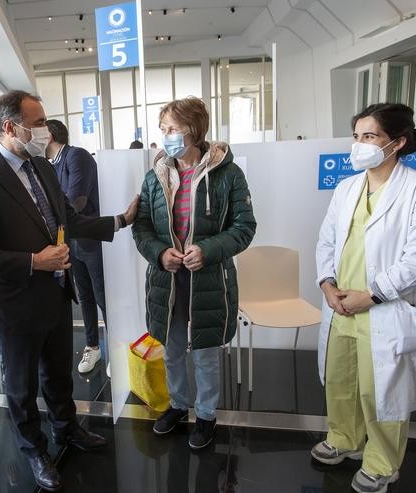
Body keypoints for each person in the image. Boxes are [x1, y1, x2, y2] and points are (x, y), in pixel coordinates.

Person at [0, 90, 138, 492]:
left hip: (56, 294)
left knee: (58, 375)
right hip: (17, 302)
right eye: (36, 123)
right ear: (9, 127)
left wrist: (121, 220)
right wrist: (35, 261)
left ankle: (66, 429)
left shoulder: (41, 167)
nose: (43, 130)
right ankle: (34, 449)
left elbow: (68, 220)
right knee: (21, 387)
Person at [313, 103, 416, 493]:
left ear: (398, 142)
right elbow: (326, 240)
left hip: (384, 309)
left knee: (383, 390)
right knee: (340, 382)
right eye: (356, 136)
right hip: (341, 304)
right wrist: (326, 283)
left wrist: (370, 295)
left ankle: (383, 462)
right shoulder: (347, 188)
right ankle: (344, 438)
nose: (358, 145)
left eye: (369, 136)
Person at [132, 97, 256, 450]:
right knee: (171, 349)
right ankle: (177, 405)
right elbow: (141, 226)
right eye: (164, 129)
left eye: (173, 129)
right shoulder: (156, 174)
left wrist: (208, 250)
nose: (166, 136)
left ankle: (205, 415)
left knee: (204, 351)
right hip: (167, 278)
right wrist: (159, 254)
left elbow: (245, 226)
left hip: (209, 278)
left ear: (195, 129)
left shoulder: (227, 173)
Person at [46, 119, 107, 374]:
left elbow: (77, 201)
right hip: (71, 241)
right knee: (84, 296)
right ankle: (93, 346)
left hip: (90, 240)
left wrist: (48, 217)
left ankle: (114, 347)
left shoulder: (75, 156)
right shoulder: (50, 165)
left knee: (103, 296)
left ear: (49, 134)